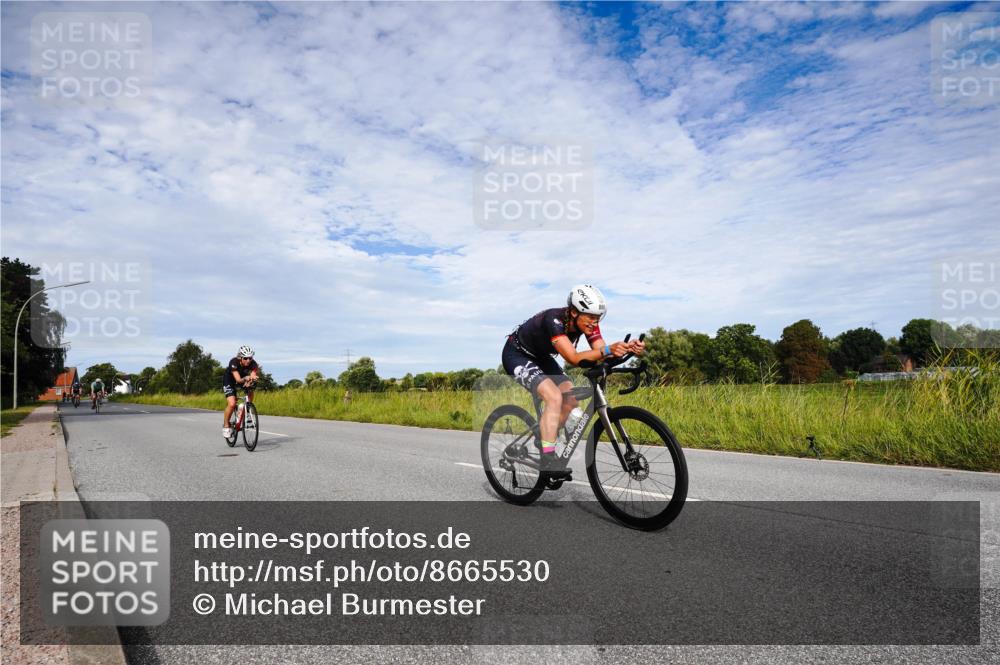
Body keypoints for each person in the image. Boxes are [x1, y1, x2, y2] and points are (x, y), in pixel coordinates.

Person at [502, 284, 645, 471]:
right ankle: (548, 456)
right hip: (517, 354)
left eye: (598, 318)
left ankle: (544, 436)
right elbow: (574, 358)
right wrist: (609, 348)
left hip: (541, 358)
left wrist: (625, 349)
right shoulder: (554, 320)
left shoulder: (588, 324)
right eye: (591, 317)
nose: (594, 322)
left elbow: (600, 351)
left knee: (570, 398)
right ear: (575, 312)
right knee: (553, 396)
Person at [223, 345, 260, 439]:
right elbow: (238, 380)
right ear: (240, 357)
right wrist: (246, 378)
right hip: (230, 379)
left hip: (243, 378)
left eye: (250, 358)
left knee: (251, 388)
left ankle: (247, 411)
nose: (248, 360)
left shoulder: (253, 364)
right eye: (246, 358)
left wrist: (251, 380)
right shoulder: (234, 362)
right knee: (231, 404)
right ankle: (226, 425)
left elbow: (252, 374)